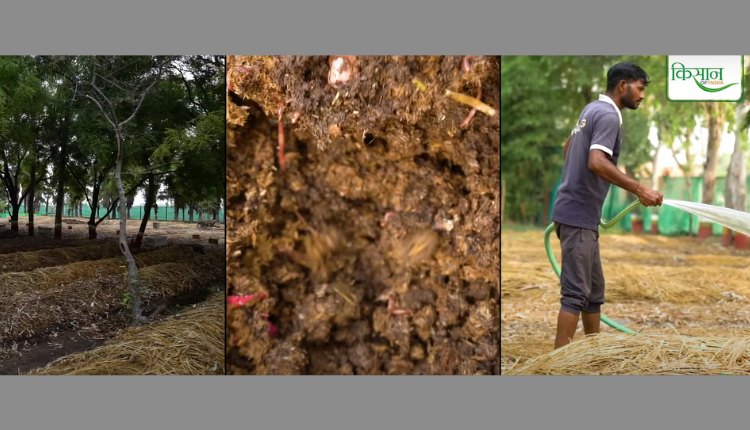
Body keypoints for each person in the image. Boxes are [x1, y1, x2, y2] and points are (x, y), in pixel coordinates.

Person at [550, 62, 664, 349]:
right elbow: (596, 161)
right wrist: (640, 189)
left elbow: (568, 147)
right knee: (576, 294)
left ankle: (592, 352)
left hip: (581, 215)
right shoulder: (608, 116)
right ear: (623, 85)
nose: (642, 95)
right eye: (640, 88)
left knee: (594, 292)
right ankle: (558, 361)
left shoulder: (591, 110)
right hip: (577, 216)